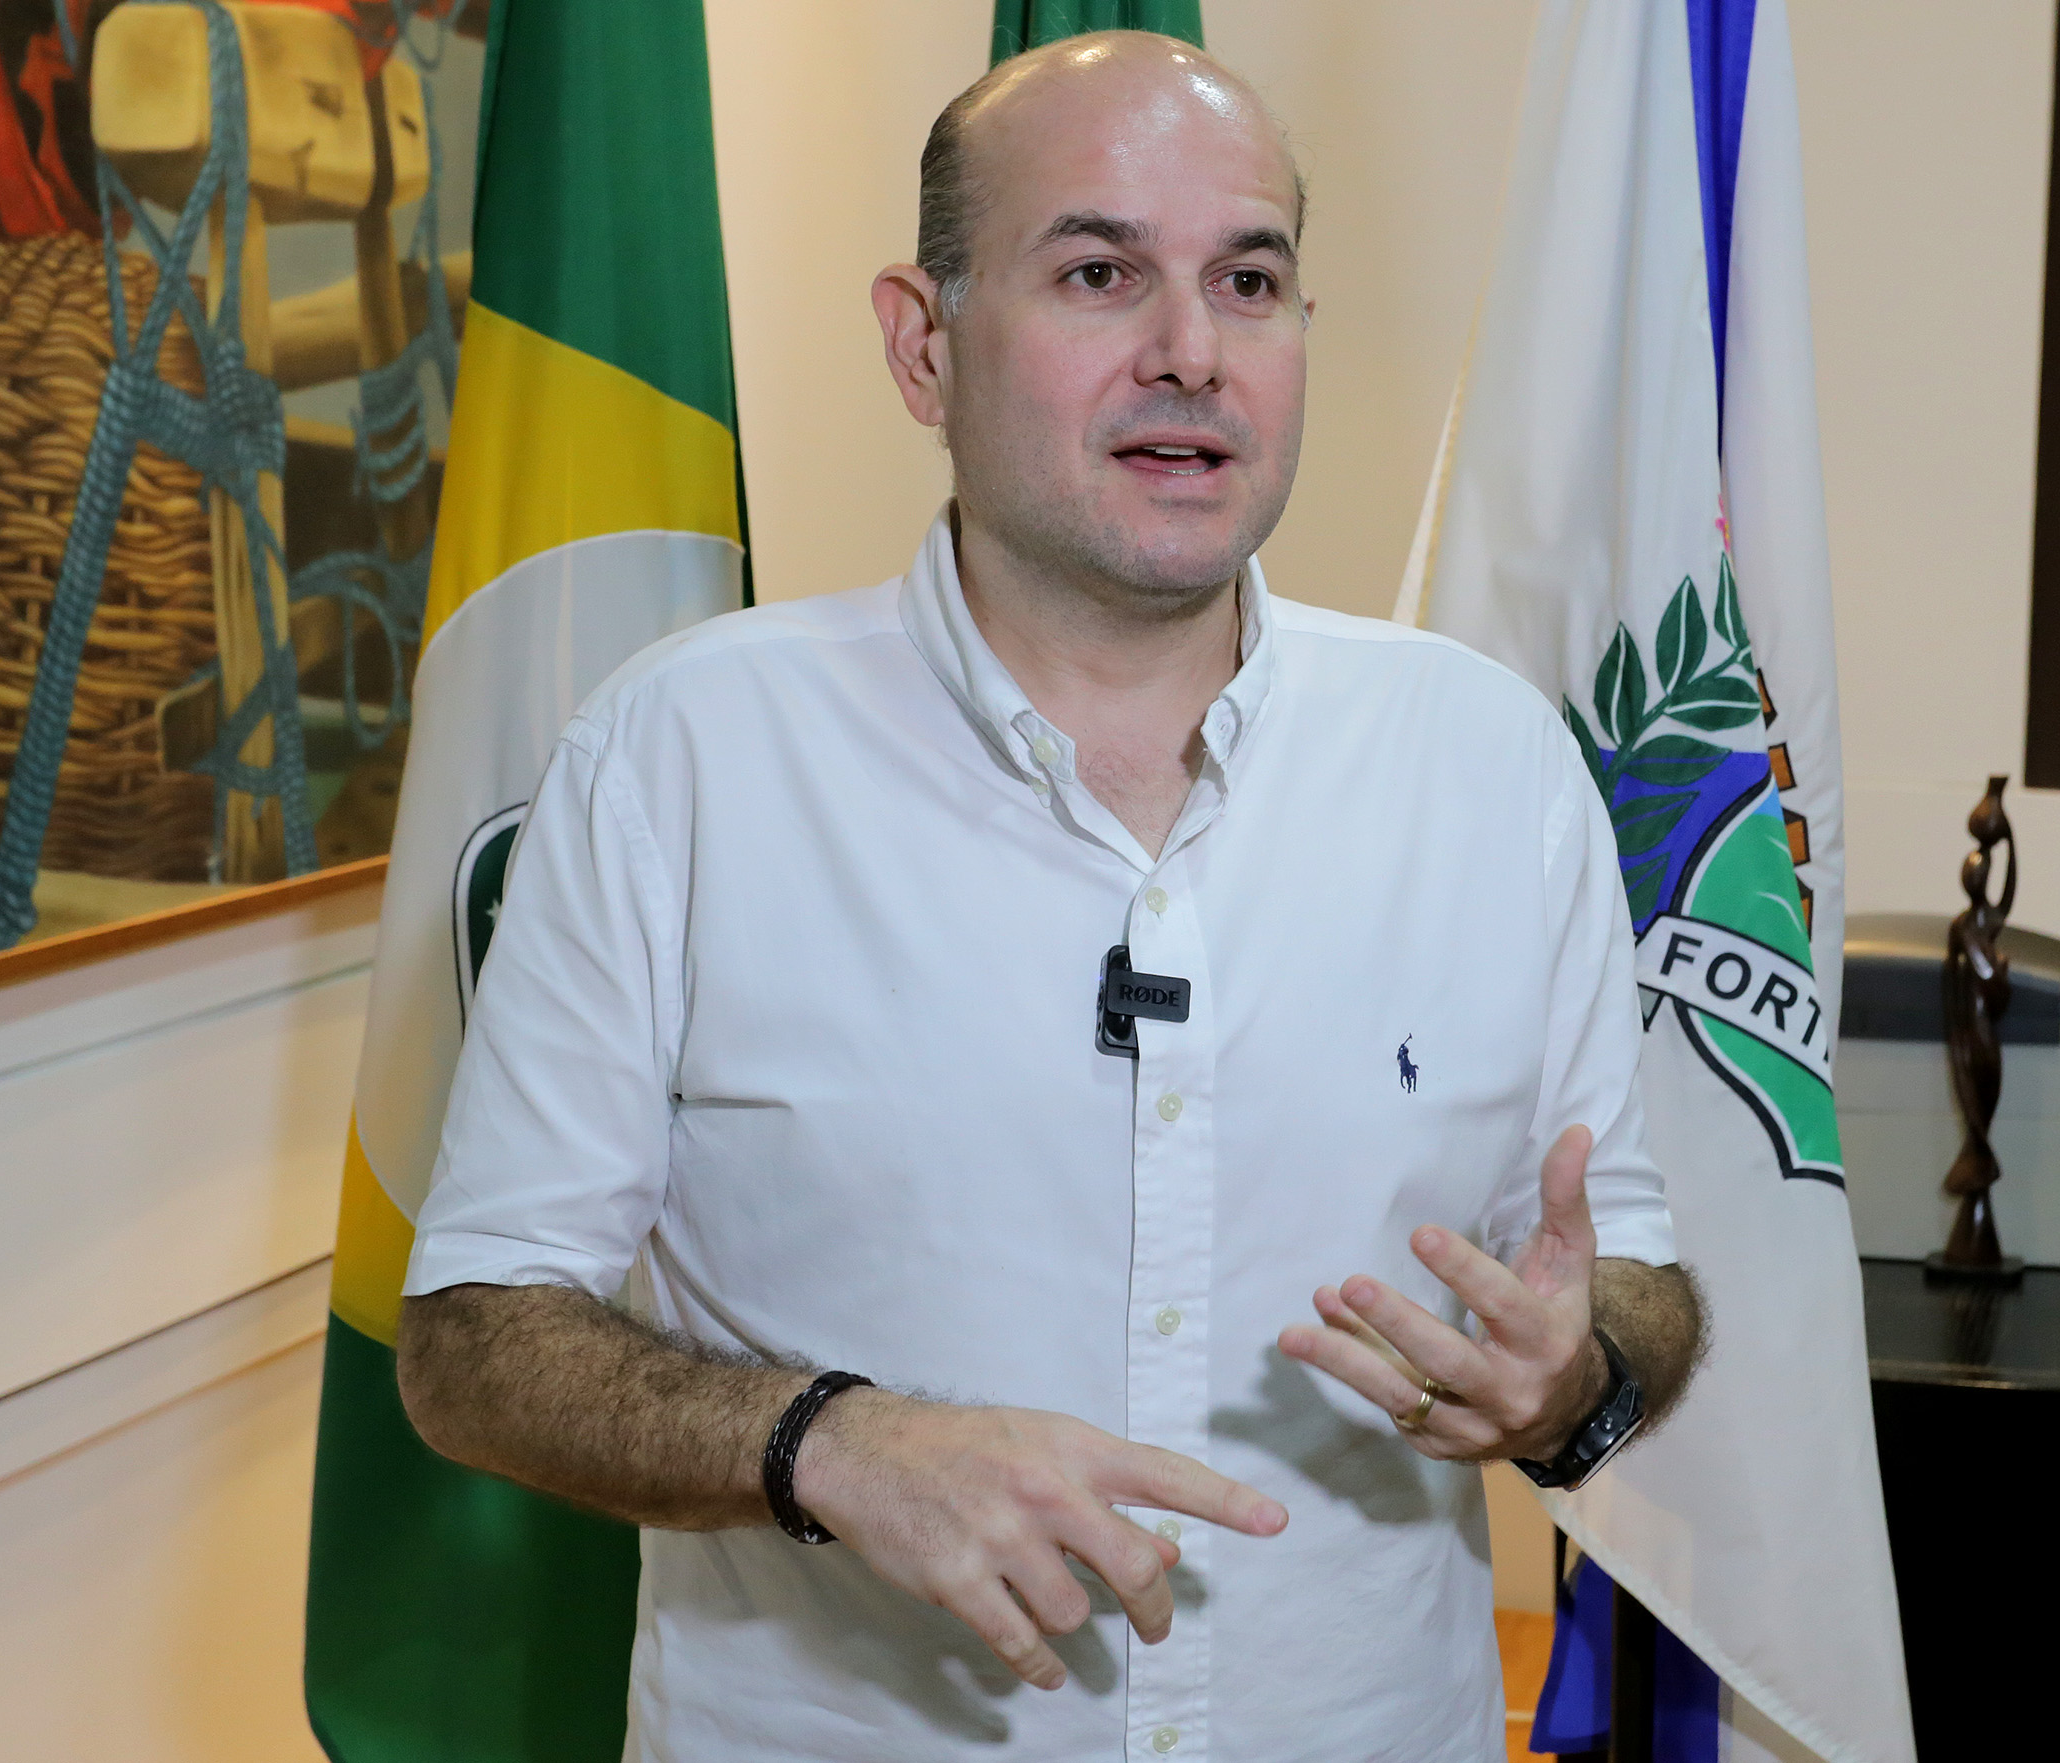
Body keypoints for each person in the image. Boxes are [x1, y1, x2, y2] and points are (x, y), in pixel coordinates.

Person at [391, 31, 1707, 1763]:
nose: (1192, 353)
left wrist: (1573, 1377)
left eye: (1249, 282)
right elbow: (474, 1339)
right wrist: (827, 1442)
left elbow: (1638, 1275)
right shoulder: (680, 757)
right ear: (922, 344)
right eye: (1100, 273)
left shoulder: (1492, 761)